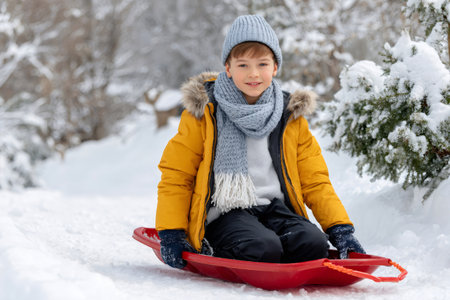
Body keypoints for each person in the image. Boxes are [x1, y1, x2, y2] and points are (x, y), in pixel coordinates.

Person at [155, 15, 365, 269]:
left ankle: (275, 243)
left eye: (262, 64)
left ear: (275, 67)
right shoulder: (206, 113)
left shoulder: (289, 116)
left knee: (313, 245)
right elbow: (178, 175)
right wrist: (172, 233)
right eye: (242, 65)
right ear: (228, 68)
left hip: (276, 210)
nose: (253, 74)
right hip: (225, 213)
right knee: (261, 248)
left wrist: (340, 229)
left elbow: (315, 180)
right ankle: (222, 246)